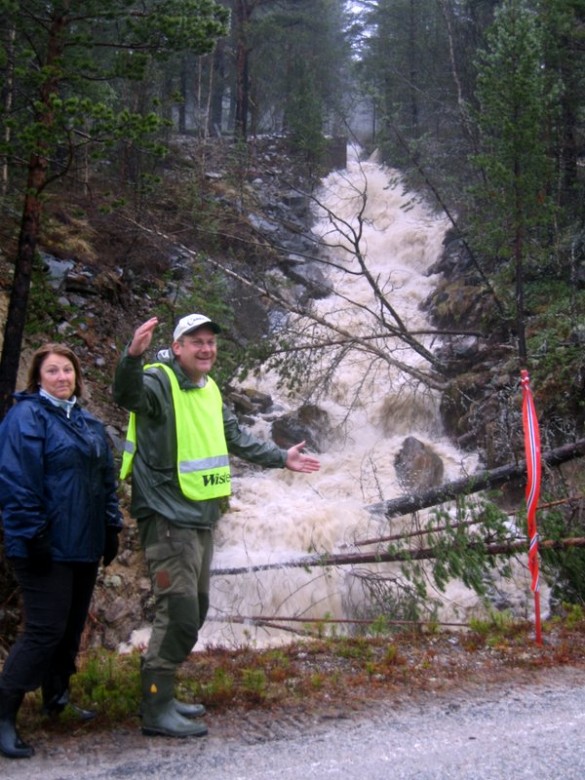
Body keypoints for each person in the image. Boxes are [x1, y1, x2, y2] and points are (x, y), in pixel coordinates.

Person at [113, 314, 320, 739]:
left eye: (210, 342)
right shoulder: (157, 382)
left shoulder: (209, 392)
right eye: (196, 342)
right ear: (177, 347)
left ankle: (164, 694)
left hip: (201, 518)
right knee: (180, 612)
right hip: (167, 516)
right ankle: (155, 706)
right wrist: (132, 356)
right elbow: (127, 394)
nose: (206, 349)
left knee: (196, 609)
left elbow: (237, 439)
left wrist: (282, 458)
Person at [0, 343, 123, 760]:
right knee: (44, 631)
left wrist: (111, 526)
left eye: (67, 370)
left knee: (69, 629)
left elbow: (106, 478)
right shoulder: (26, 417)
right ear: (38, 378)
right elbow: (17, 481)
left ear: (77, 377)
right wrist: (32, 535)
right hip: (44, 546)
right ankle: (3, 715)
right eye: (52, 371)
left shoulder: (88, 423)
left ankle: (57, 699)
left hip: (83, 545)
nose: (62, 377)